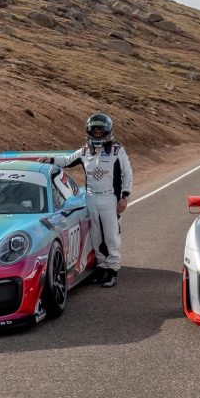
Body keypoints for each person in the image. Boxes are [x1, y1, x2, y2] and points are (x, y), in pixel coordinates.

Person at [48, 113, 132, 288]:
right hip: (91, 197)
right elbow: (67, 160)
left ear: (107, 131)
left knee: (111, 235)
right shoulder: (85, 150)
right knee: (95, 234)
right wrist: (49, 160)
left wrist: (124, 197)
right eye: (94, 131)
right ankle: (101, 268)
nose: (98, 134)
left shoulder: (117, 150)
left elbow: (127, 174)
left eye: (101, 131)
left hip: (110, 197)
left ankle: (113, 269)